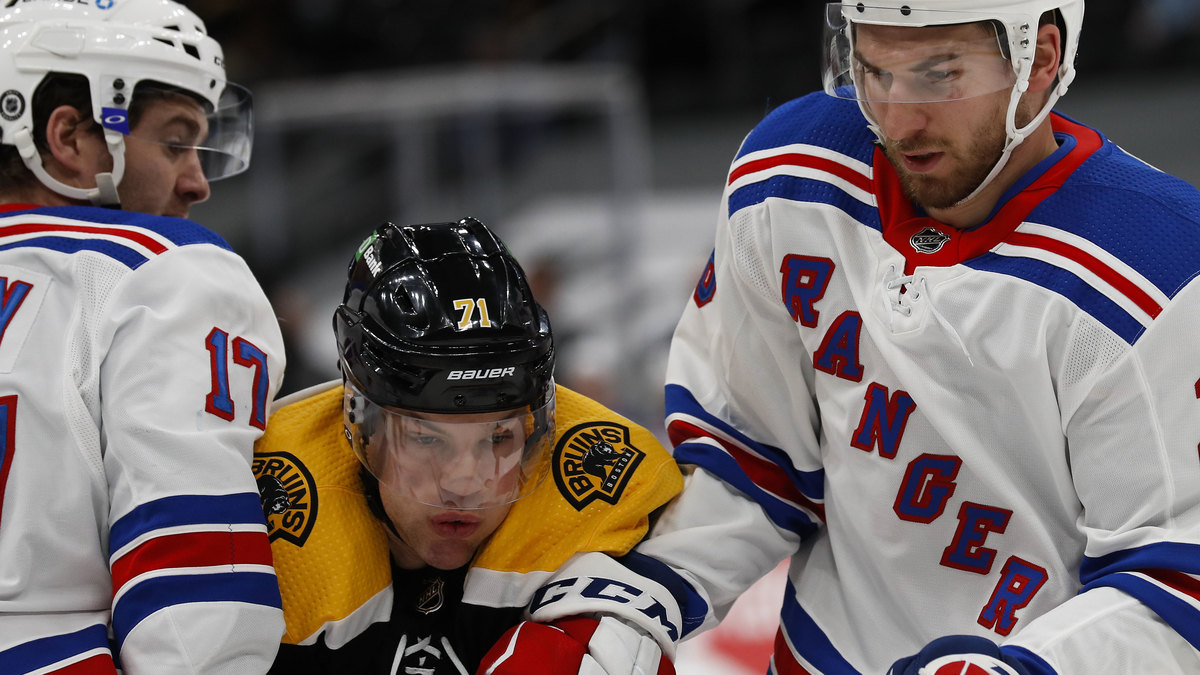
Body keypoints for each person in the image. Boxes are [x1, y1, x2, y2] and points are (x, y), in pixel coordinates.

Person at [502, 1, 1200, 674]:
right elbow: (750, 459)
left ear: (1040, 59)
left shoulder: (1161, 266)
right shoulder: (790, 176)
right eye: (875, 70)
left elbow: (1176, 584)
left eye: (939, 73)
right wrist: (641, 594)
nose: (900, 117)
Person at [256, 218, 684, 675]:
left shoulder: (600, 479)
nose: (464, 483)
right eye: (425, 439)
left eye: (500, 438)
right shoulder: (269, 507)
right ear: (361, 424)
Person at [0, 2, 285, 674]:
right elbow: (196, 603)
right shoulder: (167, 267)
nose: (197, 181)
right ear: (69, 138)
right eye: (176, 141)